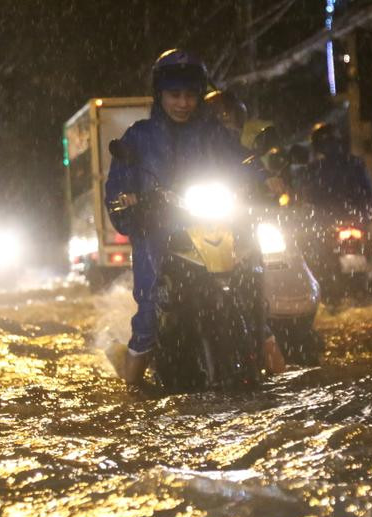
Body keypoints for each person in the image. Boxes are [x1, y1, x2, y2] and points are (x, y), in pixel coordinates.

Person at [104, 50, 284, 385]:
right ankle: (130, 387)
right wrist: (127, 202)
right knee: (149, 310)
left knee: (250, 281)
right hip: (159, 229)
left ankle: (280, 372)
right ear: (160, 94)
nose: (183, 103)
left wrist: (265, 178)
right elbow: (119, 182)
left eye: (190, 95)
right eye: (175, 95)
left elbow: (241, 160)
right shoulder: (139, 137)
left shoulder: (213, 133)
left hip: (212, 226)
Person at [299, 122, 372, 222]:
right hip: (352, 216)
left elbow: (308, 196)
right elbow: (369, 190)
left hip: (337, 219)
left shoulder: (315, 167)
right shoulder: (354, 162)